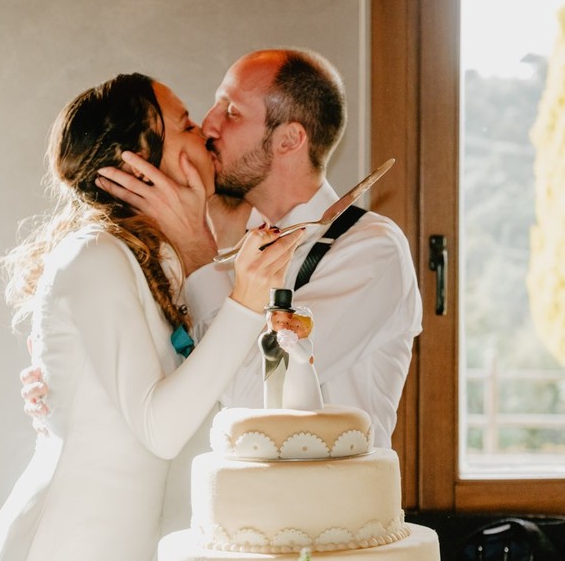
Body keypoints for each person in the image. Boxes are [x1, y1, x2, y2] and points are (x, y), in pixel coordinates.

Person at [0, 73, 299, 561]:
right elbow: (159, 428)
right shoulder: (94, 256)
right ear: (140, 162)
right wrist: (244, 300)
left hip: (133, 553)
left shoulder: (151, 261)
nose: (203, 134)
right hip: (71, 554)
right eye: (185, 124)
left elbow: (193, 399)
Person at [42, 48, 424, 450]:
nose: (209, 125)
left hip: (326, 510)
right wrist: (70, 384)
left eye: (232, 111)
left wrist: (197, 257)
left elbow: (251, 398)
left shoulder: (370, 251)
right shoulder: (220, 238)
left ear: (289, 139)